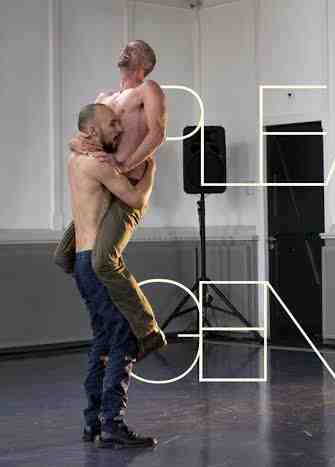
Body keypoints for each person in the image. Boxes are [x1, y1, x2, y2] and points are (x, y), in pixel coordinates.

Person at [54, 40, 168, 360]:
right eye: (125, 46)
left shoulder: (148, 89)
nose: (125, 50)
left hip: (127, 186)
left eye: (134, 48)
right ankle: (107, 310)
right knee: (65, 256)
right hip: (101, 190)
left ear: (145, 62)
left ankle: (147, 331)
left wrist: (124, 164)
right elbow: (84, 134)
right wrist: (75, 145)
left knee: (103, 259)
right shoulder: (104, 98)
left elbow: (157, 133)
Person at [71, 103, 157, 447]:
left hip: (83, 260)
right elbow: (135, 199)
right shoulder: (97, 164)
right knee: (125, 337)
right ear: (92, 131)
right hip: (98, 264)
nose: (119, 129)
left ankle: (93, 423)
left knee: (103, 340)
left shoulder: (77, 159)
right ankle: (112, 424)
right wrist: (151, 168)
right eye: (112, 124)